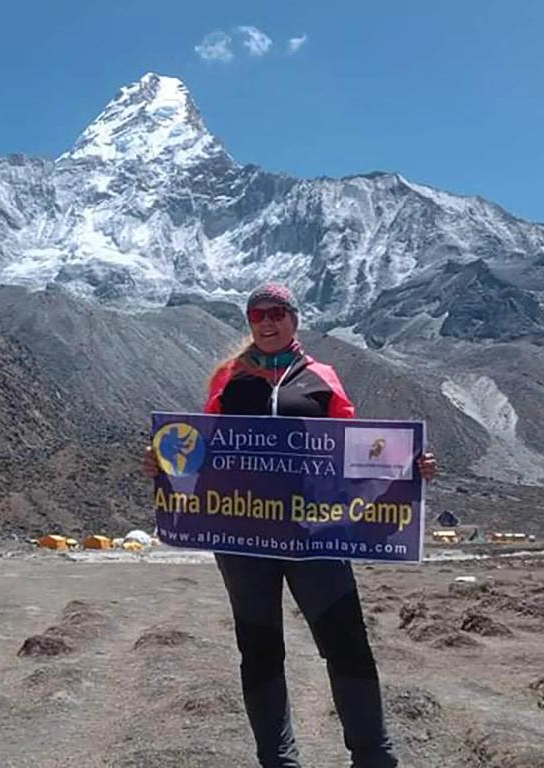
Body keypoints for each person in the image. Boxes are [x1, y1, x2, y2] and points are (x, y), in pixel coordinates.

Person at [143, 281, 437, 768]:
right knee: (259, 649)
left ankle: (374, 757)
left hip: (316, 536)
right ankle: (278, 761)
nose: (267, 321)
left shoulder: (322, 377)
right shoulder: (228, 378)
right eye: (257, 314)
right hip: (244, 536)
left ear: (294, 319)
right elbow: (203, 449)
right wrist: (163, 463)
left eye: (277, 312)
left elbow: (355, 449)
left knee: (347, 643)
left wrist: (411, 466)